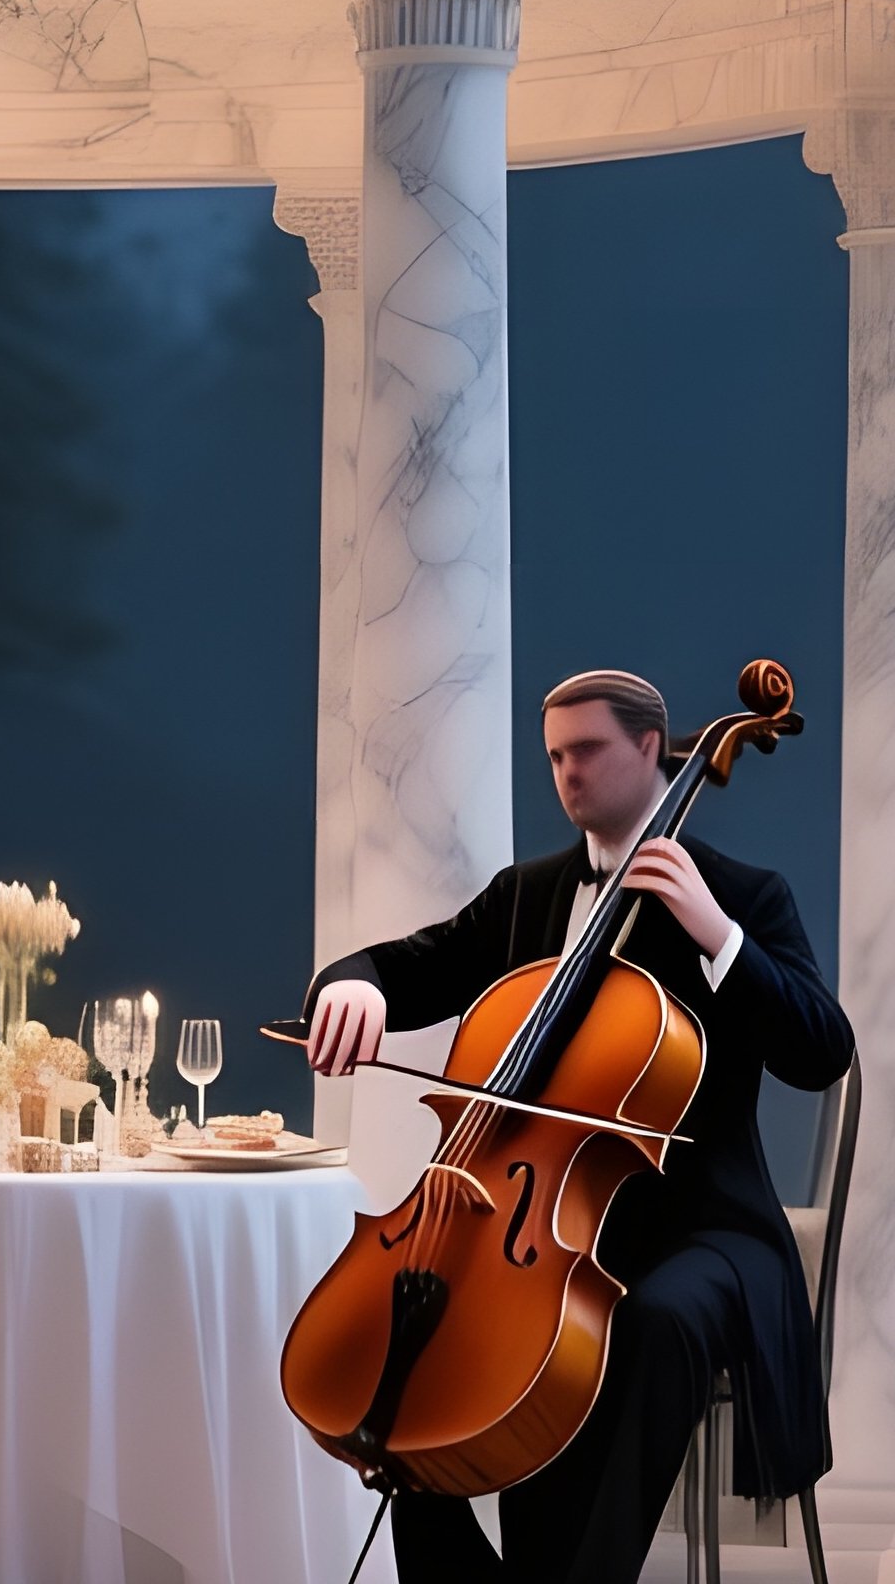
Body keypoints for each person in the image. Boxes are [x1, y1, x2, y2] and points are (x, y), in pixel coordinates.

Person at [303, 670, 853, 1584]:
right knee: (424, 1359)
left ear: (652, 748)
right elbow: (411, 963)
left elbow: (820, 1049)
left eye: (587, 750)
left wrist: (716, 934)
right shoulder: (529, 894)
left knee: (651, 1324)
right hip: (547, 1235)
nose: (567, 773)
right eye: (554, 755)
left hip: (703, 1231)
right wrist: (351, 983)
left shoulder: (743, 894)